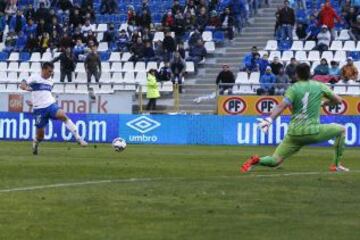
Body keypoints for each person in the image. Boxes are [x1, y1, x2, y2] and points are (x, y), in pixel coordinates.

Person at [241, 63, 349, 173]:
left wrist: (269, 120)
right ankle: (336, 165)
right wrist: (323, 103)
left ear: (296, 75)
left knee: (275, 160)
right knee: (341, 130)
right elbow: (338, 100)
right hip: (312, 131)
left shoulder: (293, 89)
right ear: (310, 73)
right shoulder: (319, 86)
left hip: (294, 134)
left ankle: (256, 161)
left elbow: (281, 106)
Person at [19, 62, 87, 155]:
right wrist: (23, 86)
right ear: (43, 69)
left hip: (50, 105)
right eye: (49, 71)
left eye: (52, 71)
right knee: (40, 136)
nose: (51, 73)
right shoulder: (35, 77)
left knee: (62, 115)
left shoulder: (51, 81)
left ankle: (78, 138)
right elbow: (25, 82)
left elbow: (43, 92)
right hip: (39, 109)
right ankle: (36, 142)